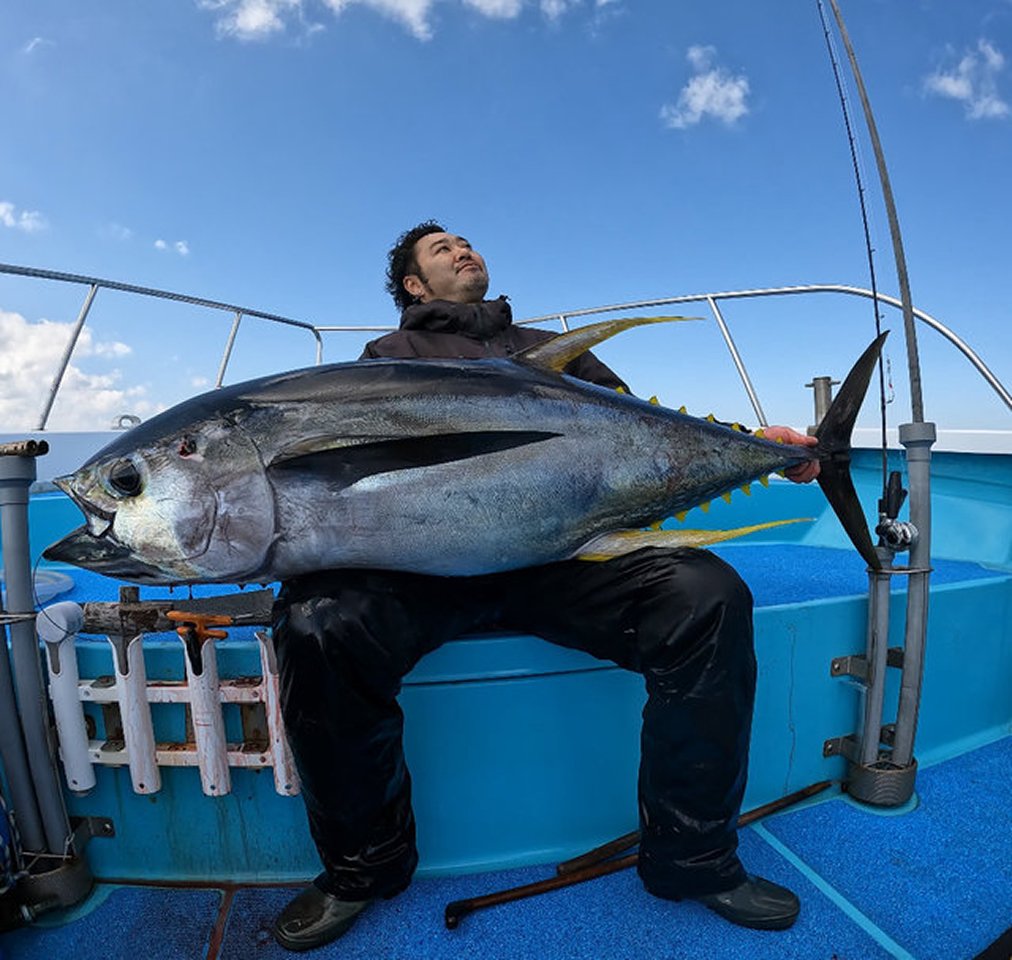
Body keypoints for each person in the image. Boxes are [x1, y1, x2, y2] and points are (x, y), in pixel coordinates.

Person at [271, 221, 819, 951]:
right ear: (412, 285)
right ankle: (361, 870)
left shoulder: (552, 351)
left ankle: (694, 861)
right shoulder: (389, 359)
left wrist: (758, 448)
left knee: (708, 596)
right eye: (442, 250)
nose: (462, 250)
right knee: (318, 624)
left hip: (565, 560)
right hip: (429, 570)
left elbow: (647, 444)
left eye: (466, 242)